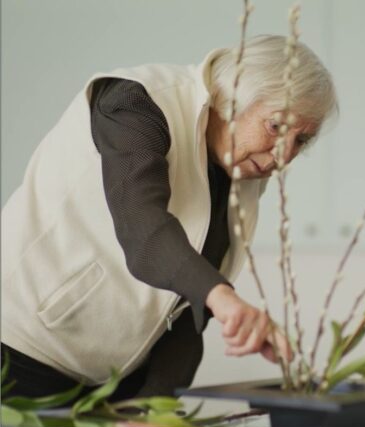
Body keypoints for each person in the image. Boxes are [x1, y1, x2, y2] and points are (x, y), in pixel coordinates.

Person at [1, 35, 337, 401]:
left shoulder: (242, 173)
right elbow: (142, 230)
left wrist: (155, 405)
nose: (284, 155)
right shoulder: (136, 104)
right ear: (233, 95)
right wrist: (223, 298)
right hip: (18, 351)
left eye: (301, 141)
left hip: (111, 382)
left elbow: (185, 312)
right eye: (276, 127)